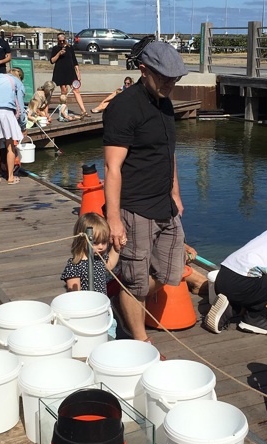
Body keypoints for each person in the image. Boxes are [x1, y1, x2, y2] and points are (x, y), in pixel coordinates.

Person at [103, 41, 189, 344]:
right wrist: (113, 218)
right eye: (164, 77)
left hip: (165, 204)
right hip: (134, 206)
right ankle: (140, 342)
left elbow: (170, 153)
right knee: (136, 282)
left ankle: (119, 299)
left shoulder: (164, 101)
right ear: (143, 70)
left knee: (171, 273)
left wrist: (176, 194)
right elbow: (113, 167)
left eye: (175, 78)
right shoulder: (123, 107)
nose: (170, 84)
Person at [61, 213, 120, 294]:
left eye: (104, 242)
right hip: (86, 304)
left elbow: (109, 264)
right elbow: (74, 294)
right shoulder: (75, 265)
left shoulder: (98, 258)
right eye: (95, 243)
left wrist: (116, 248)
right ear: (82, 239)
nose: (101, 247)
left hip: (101, 302)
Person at [49, 33, 89, 118]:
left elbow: (74, 60)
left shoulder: (70, 47)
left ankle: (83, 110)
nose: (62, 42)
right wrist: (59, 53)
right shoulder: (55, 48)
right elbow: (52, 60)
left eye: (63, 40)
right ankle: (64, 111)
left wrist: (78, 72)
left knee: (76, 90)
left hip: (70, 70)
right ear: (58, 40)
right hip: (60, 71)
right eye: (60, 41)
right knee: (64, 90)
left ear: (65, 39)